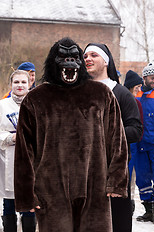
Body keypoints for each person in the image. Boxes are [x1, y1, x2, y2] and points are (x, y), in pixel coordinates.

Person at [14, 37, 128, 232]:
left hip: (95, 185)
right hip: (51, 189)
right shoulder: (36, 99)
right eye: (63, 57)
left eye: (74, 57)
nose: (69, 62)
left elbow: (117, 139)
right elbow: (24, 151)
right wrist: (26, 194)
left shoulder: (101, 94)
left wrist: (117, 179)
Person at [84, 43, 143, 232]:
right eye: (85, 56)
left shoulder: (121, 93)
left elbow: (136, 130)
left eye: (94, 55)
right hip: (84, 173)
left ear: (105, 61)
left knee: (118, 224)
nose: (88, 59)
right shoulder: (78, 93)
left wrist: (106, 134)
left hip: (114, 172)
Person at [0, 70, 36, 232]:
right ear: (11, 84)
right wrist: (10, 138)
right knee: (9, 203)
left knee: (29, 204)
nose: (20, 85)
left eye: (23, 82)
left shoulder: (36, 104)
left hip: (31, 161)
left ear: (29, 84)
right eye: (16, 82)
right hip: (8, 159)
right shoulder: (2, 105)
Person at [135, 63, 154, 225]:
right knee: (142, 177)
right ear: (145, 77)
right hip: (140, 143)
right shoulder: (137, 93)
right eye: (152, 78)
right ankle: (147, 211)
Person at [123, 69, 144, 214]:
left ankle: (129, 203)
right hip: (123, 144)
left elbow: (140, 126)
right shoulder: (122, 100)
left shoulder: (138, 103)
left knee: (131, 176)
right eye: (136, 88)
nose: (139, 90)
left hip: (134, 144)